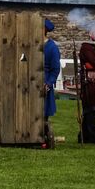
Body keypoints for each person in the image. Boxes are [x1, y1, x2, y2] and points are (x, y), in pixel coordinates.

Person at [42, 19, 61, 147]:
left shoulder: (52, 47)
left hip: (44, 83)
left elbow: (55, 69)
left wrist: (48, 84)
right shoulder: (30, 44)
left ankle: (43, 137)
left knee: (43, 114)